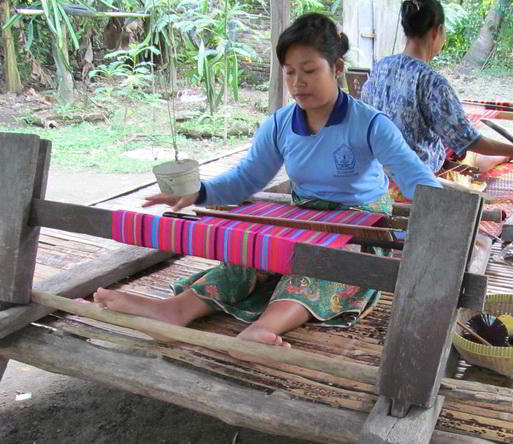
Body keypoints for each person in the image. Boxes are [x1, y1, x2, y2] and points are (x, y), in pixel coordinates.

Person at [93, 13, 440, 358]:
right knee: (247, 254)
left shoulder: (370, 124)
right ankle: (175, 310)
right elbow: (247, 178)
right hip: (303, 216)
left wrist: (449, 213)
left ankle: (262, 329)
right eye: (290, 72)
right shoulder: (281, 124)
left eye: (309, 70)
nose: (298, 82)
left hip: (360, 224)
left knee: (321, 264)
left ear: (337, 68)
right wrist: (199, 192)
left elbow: (414, 178)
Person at [360, 0, 513, 176]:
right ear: (437, 31)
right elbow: (467, 139)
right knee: (467, 155)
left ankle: (504, 155)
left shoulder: (381, 67)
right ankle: (507, 155)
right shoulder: (431, 81)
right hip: (414, 175)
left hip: (378, 169)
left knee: (458, 151)